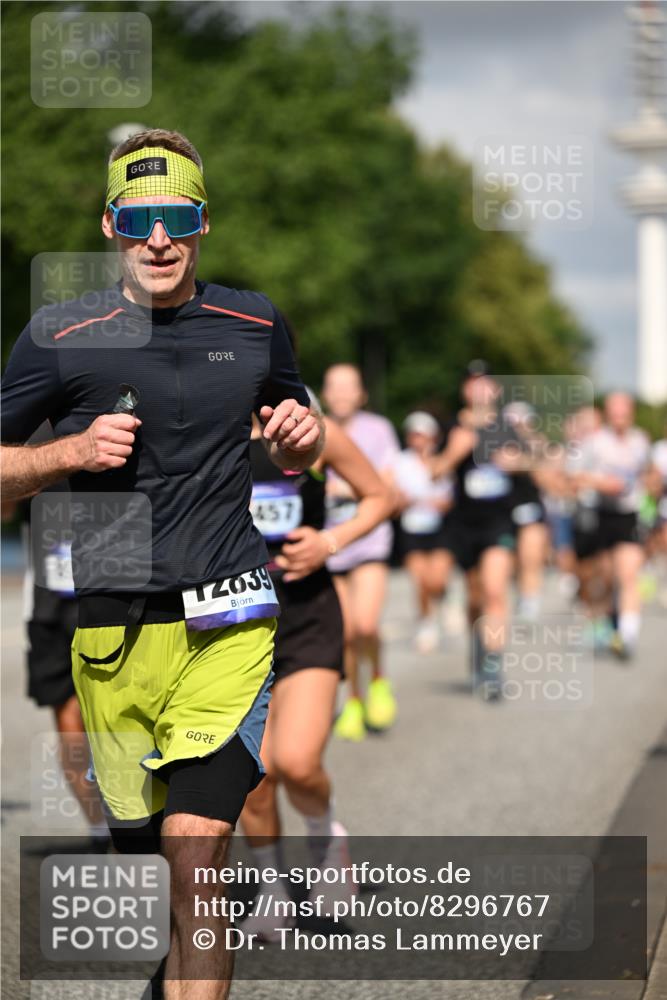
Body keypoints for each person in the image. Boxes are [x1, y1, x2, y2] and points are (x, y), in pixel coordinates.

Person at [0, 128, 323, 999]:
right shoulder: (61, 335)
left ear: (202, 222)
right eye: (138, 217)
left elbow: (297, 444)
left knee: (196, 848)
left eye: (176, 215)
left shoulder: (254, 322)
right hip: (111, 632)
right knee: (152, 845)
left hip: (231, 618)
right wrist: (65, 453)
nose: (158, 237)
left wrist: (303, 437)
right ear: (110, 224)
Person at [240, 407, 392, 940]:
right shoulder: (204, 421)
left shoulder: (309, 429)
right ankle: (272, 890)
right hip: (229, 623)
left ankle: (328, 840)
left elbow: (381, 496)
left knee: (297, 762)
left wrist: (330, 542)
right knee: (252, 776)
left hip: (305, 616)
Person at [321, 364, 399, 741]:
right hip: (331, 545)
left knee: (366, 625)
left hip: (369, 539)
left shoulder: (379, 430)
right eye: (333, 387)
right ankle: (352, 700)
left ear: (361, 393)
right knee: (346, 632)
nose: (340, 394)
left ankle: (379, 680)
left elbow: (387, 487)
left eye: (348, 387)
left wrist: (343, 491)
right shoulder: (313, 427)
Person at [432, 365, 521, 700]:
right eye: (473, 384)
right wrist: (455, 451)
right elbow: (435, 471)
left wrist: (511, 458)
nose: (480, 390)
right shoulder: (452, 428)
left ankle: (494, 666)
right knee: (475, 597)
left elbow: (527, 462)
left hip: (498, 522)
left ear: (496, 391)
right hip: (463, 525)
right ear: (465, 391)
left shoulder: (507, 426)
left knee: (495, 591)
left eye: (486, 384)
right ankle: (479, 647)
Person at [574, 393, 654, 660]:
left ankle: (627, 636)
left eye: (624, 411)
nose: (620, 417)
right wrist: (600, 483)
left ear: (630, 412)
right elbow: (573, 475)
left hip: (629, 515)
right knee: (606, 577)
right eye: (614, 412)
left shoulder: (640, 441)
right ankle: (609, 620)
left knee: (628, 574)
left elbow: (649, 473)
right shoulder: (595, 442)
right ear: (608, 414)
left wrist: (650, 486)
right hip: (600, 514)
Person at [392, 411, 454, 653]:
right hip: (412, 528)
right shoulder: (400, 461)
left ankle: (445, 597)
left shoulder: (442, 461)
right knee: (421, 582)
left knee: (436, 580)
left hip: (439, 528)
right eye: (414, 435)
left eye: (423, 435)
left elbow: (449, 498)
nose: (419, 440)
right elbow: (395, 493)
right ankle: (426, 623)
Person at [503, 401, 550, 621]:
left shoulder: (538, 442)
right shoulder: (496, 445)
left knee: (530, 555)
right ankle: (518, 589)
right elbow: (508, 464)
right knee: (511, 560)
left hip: (530, 506)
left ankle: (530, 599)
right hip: (503, 509)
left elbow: (547, 472)